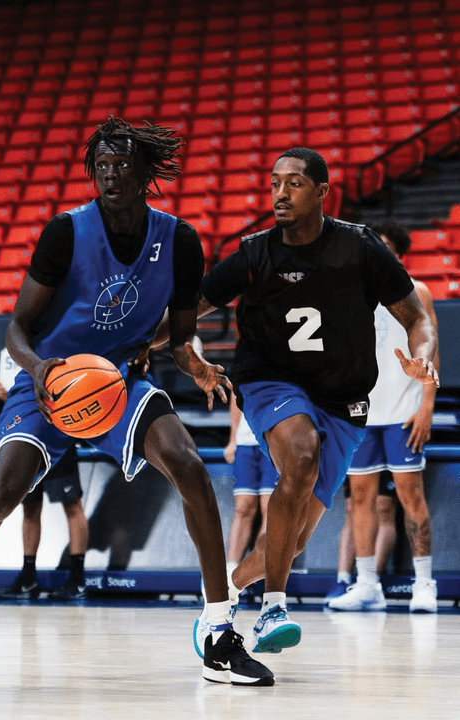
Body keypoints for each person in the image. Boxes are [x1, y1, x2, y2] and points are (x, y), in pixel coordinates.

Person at [0, 117, 273, 687]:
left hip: (115, 382)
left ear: (145, 173)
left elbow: (177, 337)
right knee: (3, 493)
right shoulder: (65, 233)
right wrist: (39, 370)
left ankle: (218, 629)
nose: (110, 174)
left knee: (190, 466)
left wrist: (194, 365)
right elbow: (17, 329)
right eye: (101, 166)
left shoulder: (179, 241)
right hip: (50, 379)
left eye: (121, 164)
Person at [189, 147, 438, 655]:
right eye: (275, 183)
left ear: (323, 191)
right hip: (271, 381)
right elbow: (187, 309)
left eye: (295, 183)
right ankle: (274, 608)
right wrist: (145, 345)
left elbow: (417, 318)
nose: (280, 193)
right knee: (301, 455)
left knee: (293, 537)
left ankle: (226, 594)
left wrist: (423, 357)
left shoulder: (360, 248)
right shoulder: (255, 253)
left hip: (342, 397)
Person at [328, 219, 440, 613]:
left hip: (404, 412)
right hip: (361, 414)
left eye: (386, 247)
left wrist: (427, 406)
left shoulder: (418, 292)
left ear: (399, 253)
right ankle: (366, 585)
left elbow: (433, 351)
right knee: (360, 499)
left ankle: (424, 583)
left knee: (411, 497)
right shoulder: (349, 293)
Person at [0, 355, 89, 601]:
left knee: (72, 504)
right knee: (30, 507)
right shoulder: (19, 352)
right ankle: (28, 578)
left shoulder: (60, 348)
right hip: (27, 435)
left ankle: (77, 579)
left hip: (57, 433)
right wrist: (7, 395)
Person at [223, 393, 277, 585]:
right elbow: (236, 396)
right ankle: (230, 572)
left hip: (275, 442)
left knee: (270, 509)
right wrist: (233, 438)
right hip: (245, 442)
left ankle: (258, 569)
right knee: (242, 507)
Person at [325, 474, 397, 601]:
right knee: (351, 508)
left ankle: (371, 583)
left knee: (383, 506)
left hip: (386, 463)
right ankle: (343, 581)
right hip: (358, 461)